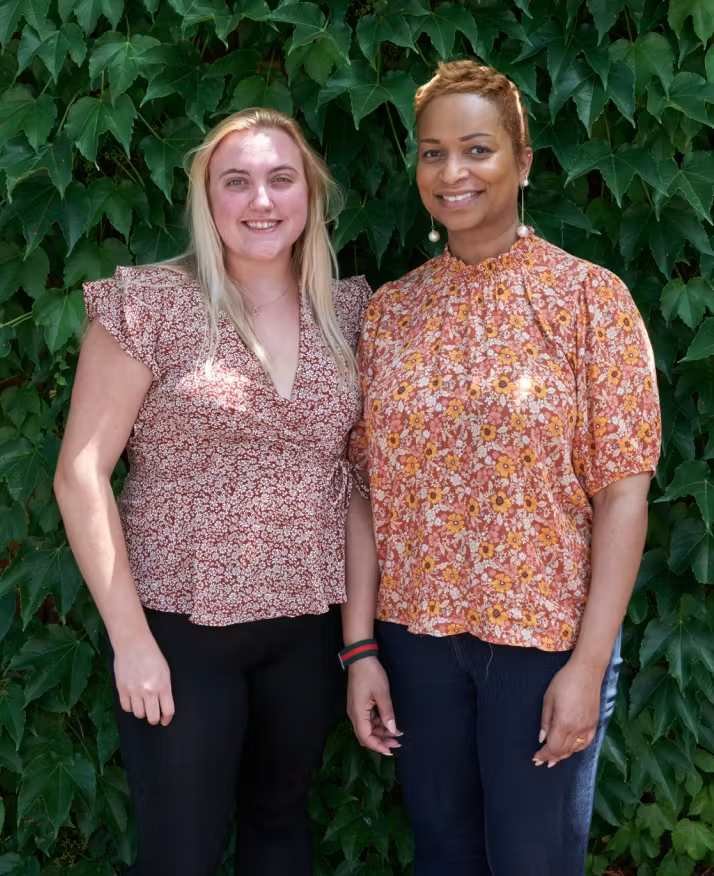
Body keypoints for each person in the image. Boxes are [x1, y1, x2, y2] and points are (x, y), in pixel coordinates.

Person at [342, 60, 661, 875]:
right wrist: (361, 649)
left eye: (477, 149)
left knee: (533, 863)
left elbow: (624, 496)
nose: (453, 171)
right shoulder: (391, 313)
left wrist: (588, 665)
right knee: (444, 857)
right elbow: (366, 492)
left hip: (544, 642)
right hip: (417, 641)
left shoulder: (590, 301)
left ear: (523, 162)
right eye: (433, 153)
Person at [53, 107, 370, 876]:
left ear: (310, 195)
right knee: (180, 855)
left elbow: (359, 484)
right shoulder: (151, 306)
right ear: (207, 198)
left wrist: (359, 644)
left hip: (307, 628)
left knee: (281, 831)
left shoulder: (350, 313)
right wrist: (131, 641)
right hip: (178, 630)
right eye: (237, 182)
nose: (261, 200)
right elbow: (80, 473)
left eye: (281, 179)